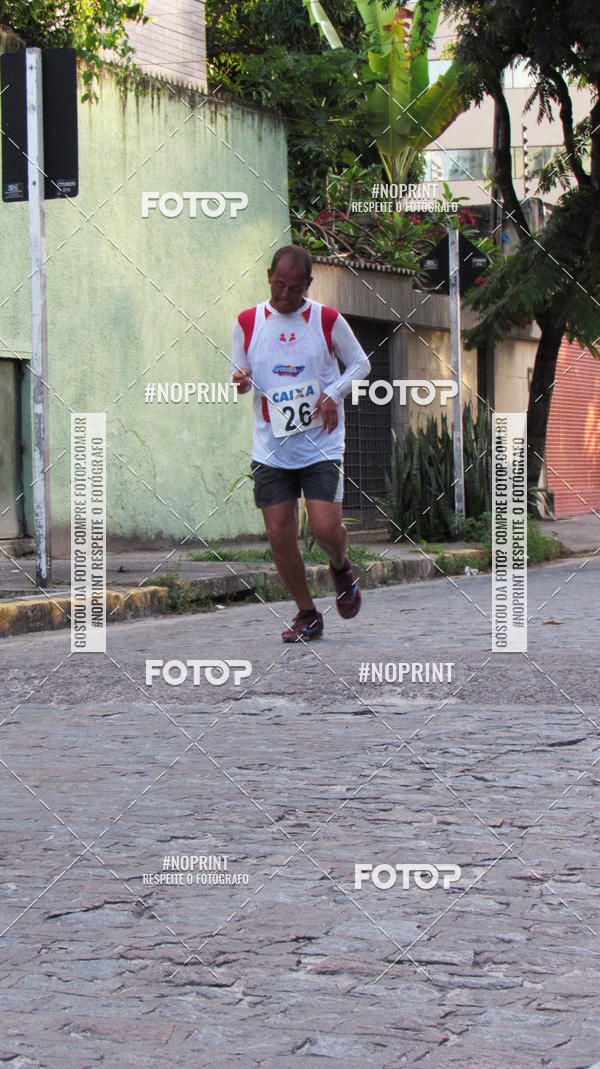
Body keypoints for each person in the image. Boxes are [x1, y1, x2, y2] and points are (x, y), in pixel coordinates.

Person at [231, 245, 371, 642]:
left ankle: (341, 566)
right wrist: (239, 380)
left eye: (295, 288)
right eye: (279, 286)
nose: (286, 296)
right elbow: (237, 372)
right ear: (269, 276)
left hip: (320, 443)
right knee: (279, 534)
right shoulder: (247, 321)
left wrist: (334, 392)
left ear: (308, 284)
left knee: (326, 528)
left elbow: (361, 363)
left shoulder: (326, 320)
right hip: (271, 445)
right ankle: (307, 614)